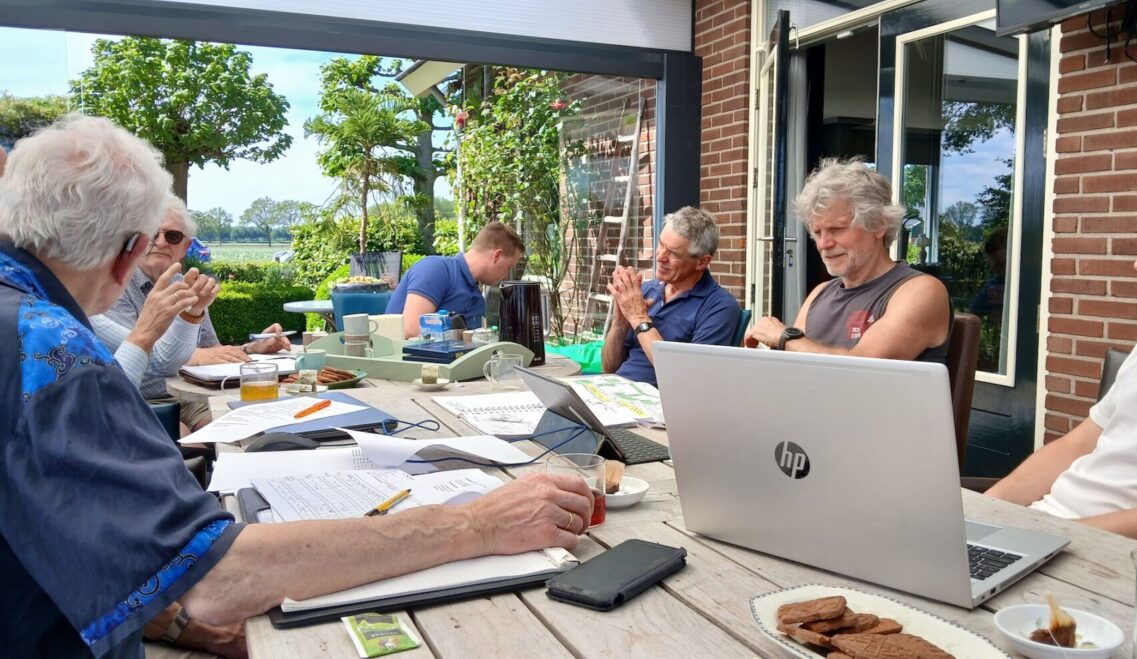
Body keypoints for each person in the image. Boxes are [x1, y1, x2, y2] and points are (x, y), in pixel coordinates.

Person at [0, 115, 595, 658]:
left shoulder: (22, 317)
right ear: (129, 253)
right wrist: (477, 524)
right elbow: (217, 580)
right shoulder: (52, 352)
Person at [986, 161, 1137, 548]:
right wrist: (982, 517)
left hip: (1105, 556)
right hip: (1049, 534)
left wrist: (1042, 541)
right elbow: (1076, 445)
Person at [97, 198, 286, 431]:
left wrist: (251, 349)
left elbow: (213, 351)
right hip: (142, 399)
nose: (160, 242)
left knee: (246, 426)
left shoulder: (186, 284)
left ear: (185, 247)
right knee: (184, 436)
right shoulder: (117, 286)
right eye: (152, 233)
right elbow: (134, 355)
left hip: (192, 396)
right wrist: (195, 355)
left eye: (172, 236)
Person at [744, 158, 951, 361]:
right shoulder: (820, 293)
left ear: (879, 225)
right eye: (817, 232)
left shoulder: (921, 291)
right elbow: (795, 365)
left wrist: (784, 337)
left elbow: (861, 368)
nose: (823, 244)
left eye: (837, 229)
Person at [600, 206, 740, 386]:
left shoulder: (719, 307)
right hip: (614, 390)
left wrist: (639, 319)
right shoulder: (646, 291)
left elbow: (686, 379)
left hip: (655, 400)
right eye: (661, 244)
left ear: (701, 262)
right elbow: (609, 368)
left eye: (673, 253)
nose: (660, 256)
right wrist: (619, 325)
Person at [386, 221, 525, 338]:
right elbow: (412, 330)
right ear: (497, 256)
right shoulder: (435, 269)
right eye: (508, 267)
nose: (506, 276)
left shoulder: (476, 297)